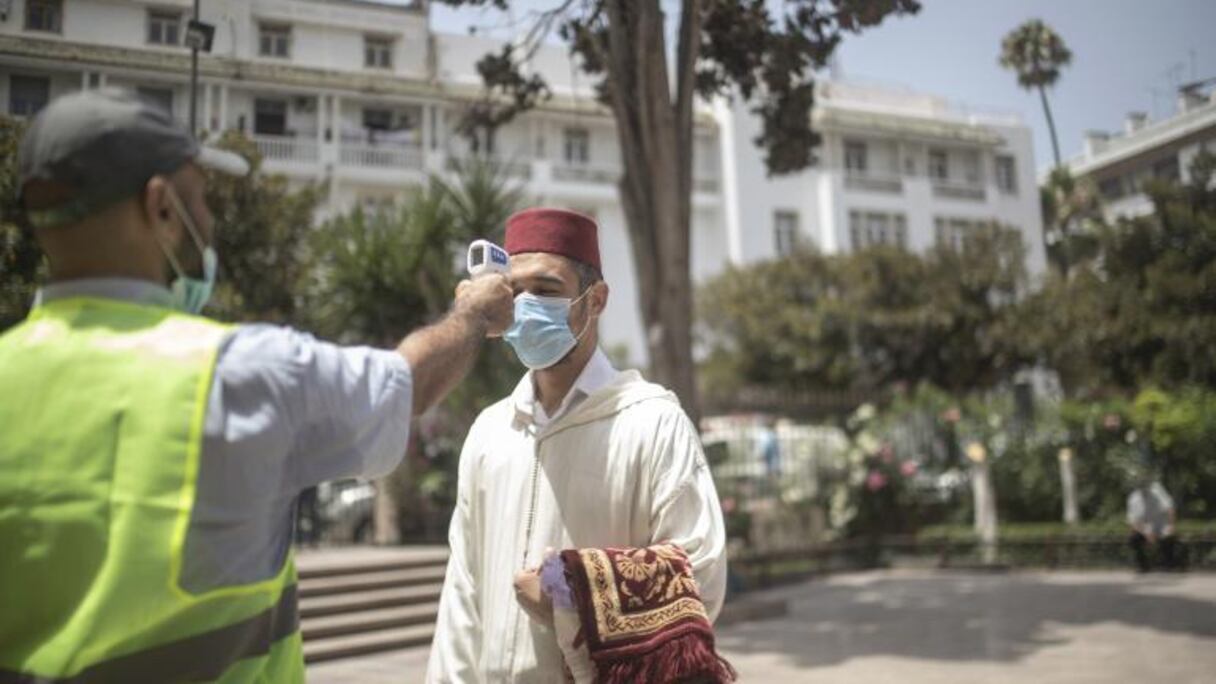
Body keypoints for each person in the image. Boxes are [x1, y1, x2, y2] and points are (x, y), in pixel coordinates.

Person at [0, 88, 513, 682]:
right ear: (162, 208)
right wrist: (473, 314)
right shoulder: (245, 374)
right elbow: (409, 385)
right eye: (203, 198)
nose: (211, 220)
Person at [426, 208, 728, 683]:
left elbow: (701, 572)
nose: (526, 306)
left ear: (597, 300)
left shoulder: (650, 421)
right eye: (516, 292)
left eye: (546, 290)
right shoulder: (490, 430)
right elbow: (463, 593)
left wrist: (572, 598)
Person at [1127, 474, 1182, 572]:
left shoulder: (1157, 490)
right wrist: (1146, 534)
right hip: (1146, 527)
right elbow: (1133, 522)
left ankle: (1169, 564)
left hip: (1162, 524)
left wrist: (1171, 525)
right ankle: (1143, 566)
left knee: (1169, 537)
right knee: (1133, 538)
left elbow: (1170, 508)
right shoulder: (1133, 498)